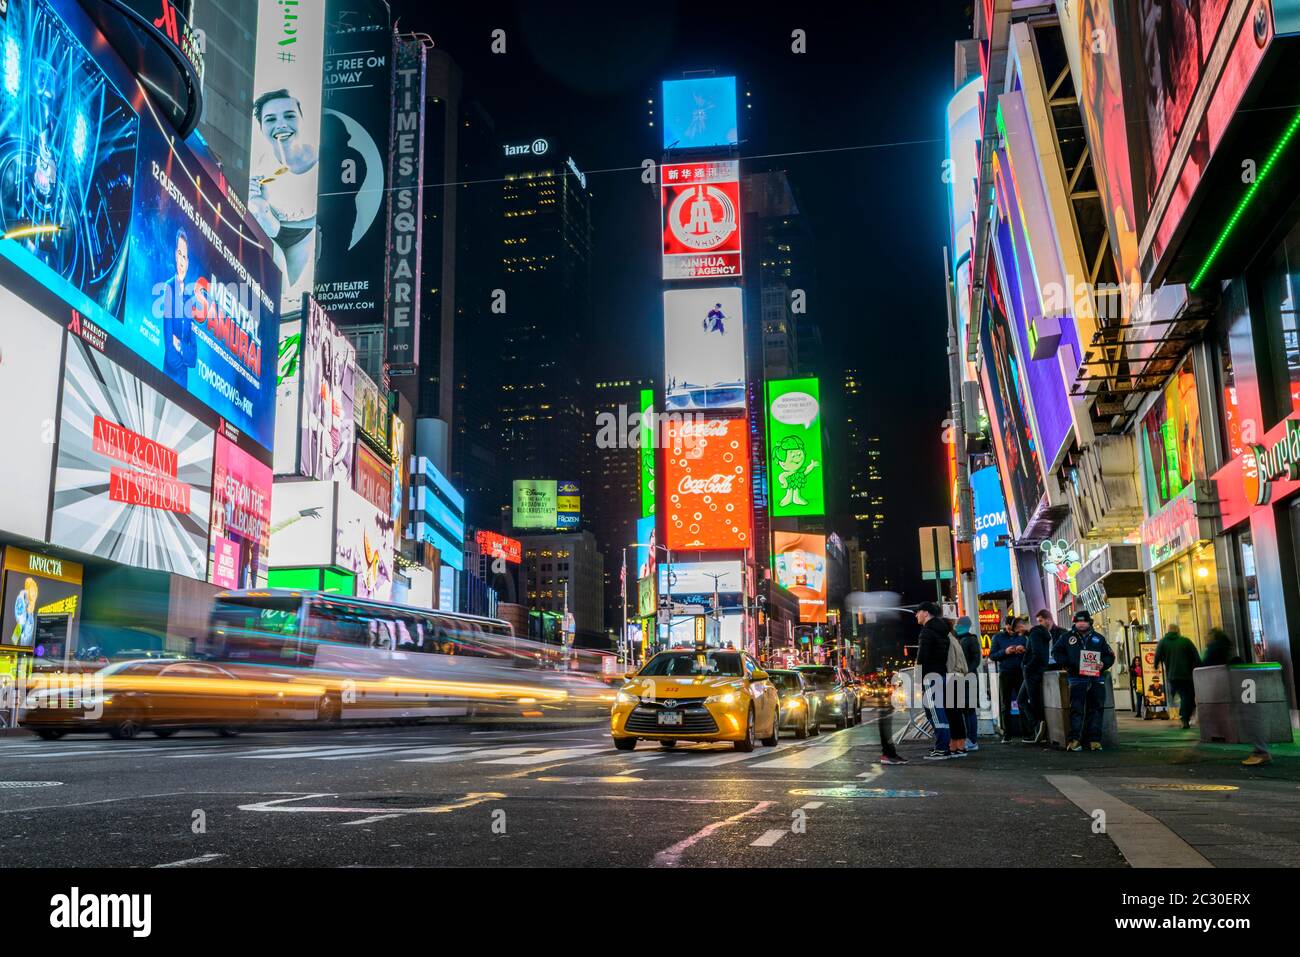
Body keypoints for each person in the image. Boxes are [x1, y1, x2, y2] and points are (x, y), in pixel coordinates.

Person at [1052, 609, 1115, 751]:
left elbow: (1109, 655)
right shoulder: (1067, 637)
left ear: (1089, 622)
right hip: (1076, 678)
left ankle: (1095, 741)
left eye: (1083, 621)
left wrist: (1103, 664)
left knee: (1096, 709)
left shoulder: (1099, 638)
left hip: (1096, 678)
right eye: (1078, 621)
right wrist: (1067, 664)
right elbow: (1056, 652)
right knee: (1076, 710)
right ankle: (1074, 740)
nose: (1080, 624)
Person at [915, 602, 962, 760]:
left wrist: (918, 679)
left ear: (926, 613)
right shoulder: (942, 632)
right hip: (940, 674)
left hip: (930, 676)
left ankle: (942, 748)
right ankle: (943, 746)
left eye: (918, 612)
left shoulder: (927, 632)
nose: (916, 615)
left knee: (935, 713)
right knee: (938, 711)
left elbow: (922, 657)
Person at [160, 227, 197, 388]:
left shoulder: (190, 301)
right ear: (176, 256)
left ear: (188, 262)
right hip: (168, 381)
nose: (182, 261)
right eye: (180, 255)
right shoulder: (169, 288)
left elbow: (194, 358)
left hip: (184, 387)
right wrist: (184, 359)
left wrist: (180, 345)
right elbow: (169, 351)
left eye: (185, 257)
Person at [1019, 609, 1058, 743]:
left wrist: (1027, 667)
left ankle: (1038, 724)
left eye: (1041, 620)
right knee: (1023, 699)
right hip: (1037, 670)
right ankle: (1037, 726)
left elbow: (1037, 654)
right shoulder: (1042, 634)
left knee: (1031, 700)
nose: (1019, 631)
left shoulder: (1035, 634)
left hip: (1032, 672)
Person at [1154, 625, 1202, 728]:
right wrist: (1198, 668)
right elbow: (1196, 656)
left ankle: (1183, 714)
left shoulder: (1163, 642)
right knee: (1187, 696)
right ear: (1178, 631)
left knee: (1181, 695)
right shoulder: (1186, 641)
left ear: (1168, 631)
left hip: (1172, 675)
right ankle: (1184, 717)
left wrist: (1156, 666)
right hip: (1186, 675)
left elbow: (1157, 656)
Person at [989, 615, 1026, 741]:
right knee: (1005, 704)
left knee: (1022, 702)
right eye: (1010, 627)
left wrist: (1023, 650)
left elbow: (1030, 654)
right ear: (1006, 626)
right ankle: (1007, 734)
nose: (1012, 630)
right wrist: (1005, 652)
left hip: (1020, 672)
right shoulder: (998, 637)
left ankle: (1026, 733)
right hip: (1005, 673)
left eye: (1014, 628)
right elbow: (992, 655)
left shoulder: (1022, 637)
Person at [954, 616, 982, 750]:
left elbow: (976, 660)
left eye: (959, 624)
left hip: (968, 678)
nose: (956, 626)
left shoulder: (971, 639)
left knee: (969, 711)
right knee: (963, 711)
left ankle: (972, 740)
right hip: (960, 678)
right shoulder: (958, 639)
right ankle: (967, 739)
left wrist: (966, 672)